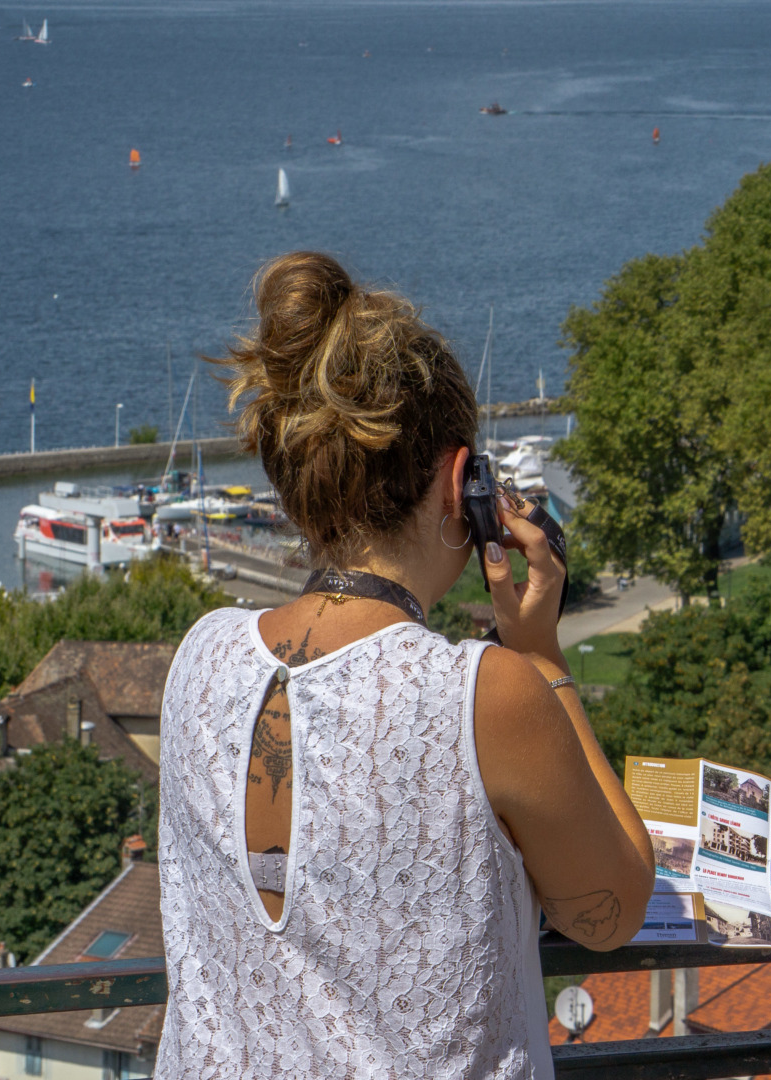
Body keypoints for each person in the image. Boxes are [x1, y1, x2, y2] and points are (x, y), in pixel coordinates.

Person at [157, 252, 655, 1078]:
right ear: (462, 483)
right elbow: (617, 907)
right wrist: (539, 655)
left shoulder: (199, 658)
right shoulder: (484, 693)